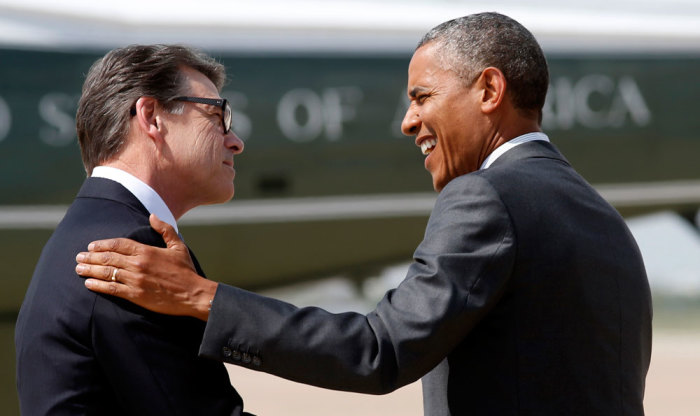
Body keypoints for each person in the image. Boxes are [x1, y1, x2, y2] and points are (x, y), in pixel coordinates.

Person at [75, 13, 653, 415]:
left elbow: (378, 351)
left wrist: (200, 297)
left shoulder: (485, 196)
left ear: (489, 90)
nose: (408, 121)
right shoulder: (602, 218)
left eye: (422, 96)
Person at [15, 44, 253, 415]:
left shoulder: (87, 233)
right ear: (152, 117)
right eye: (217, 114)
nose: (235, 141)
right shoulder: (128, 251)